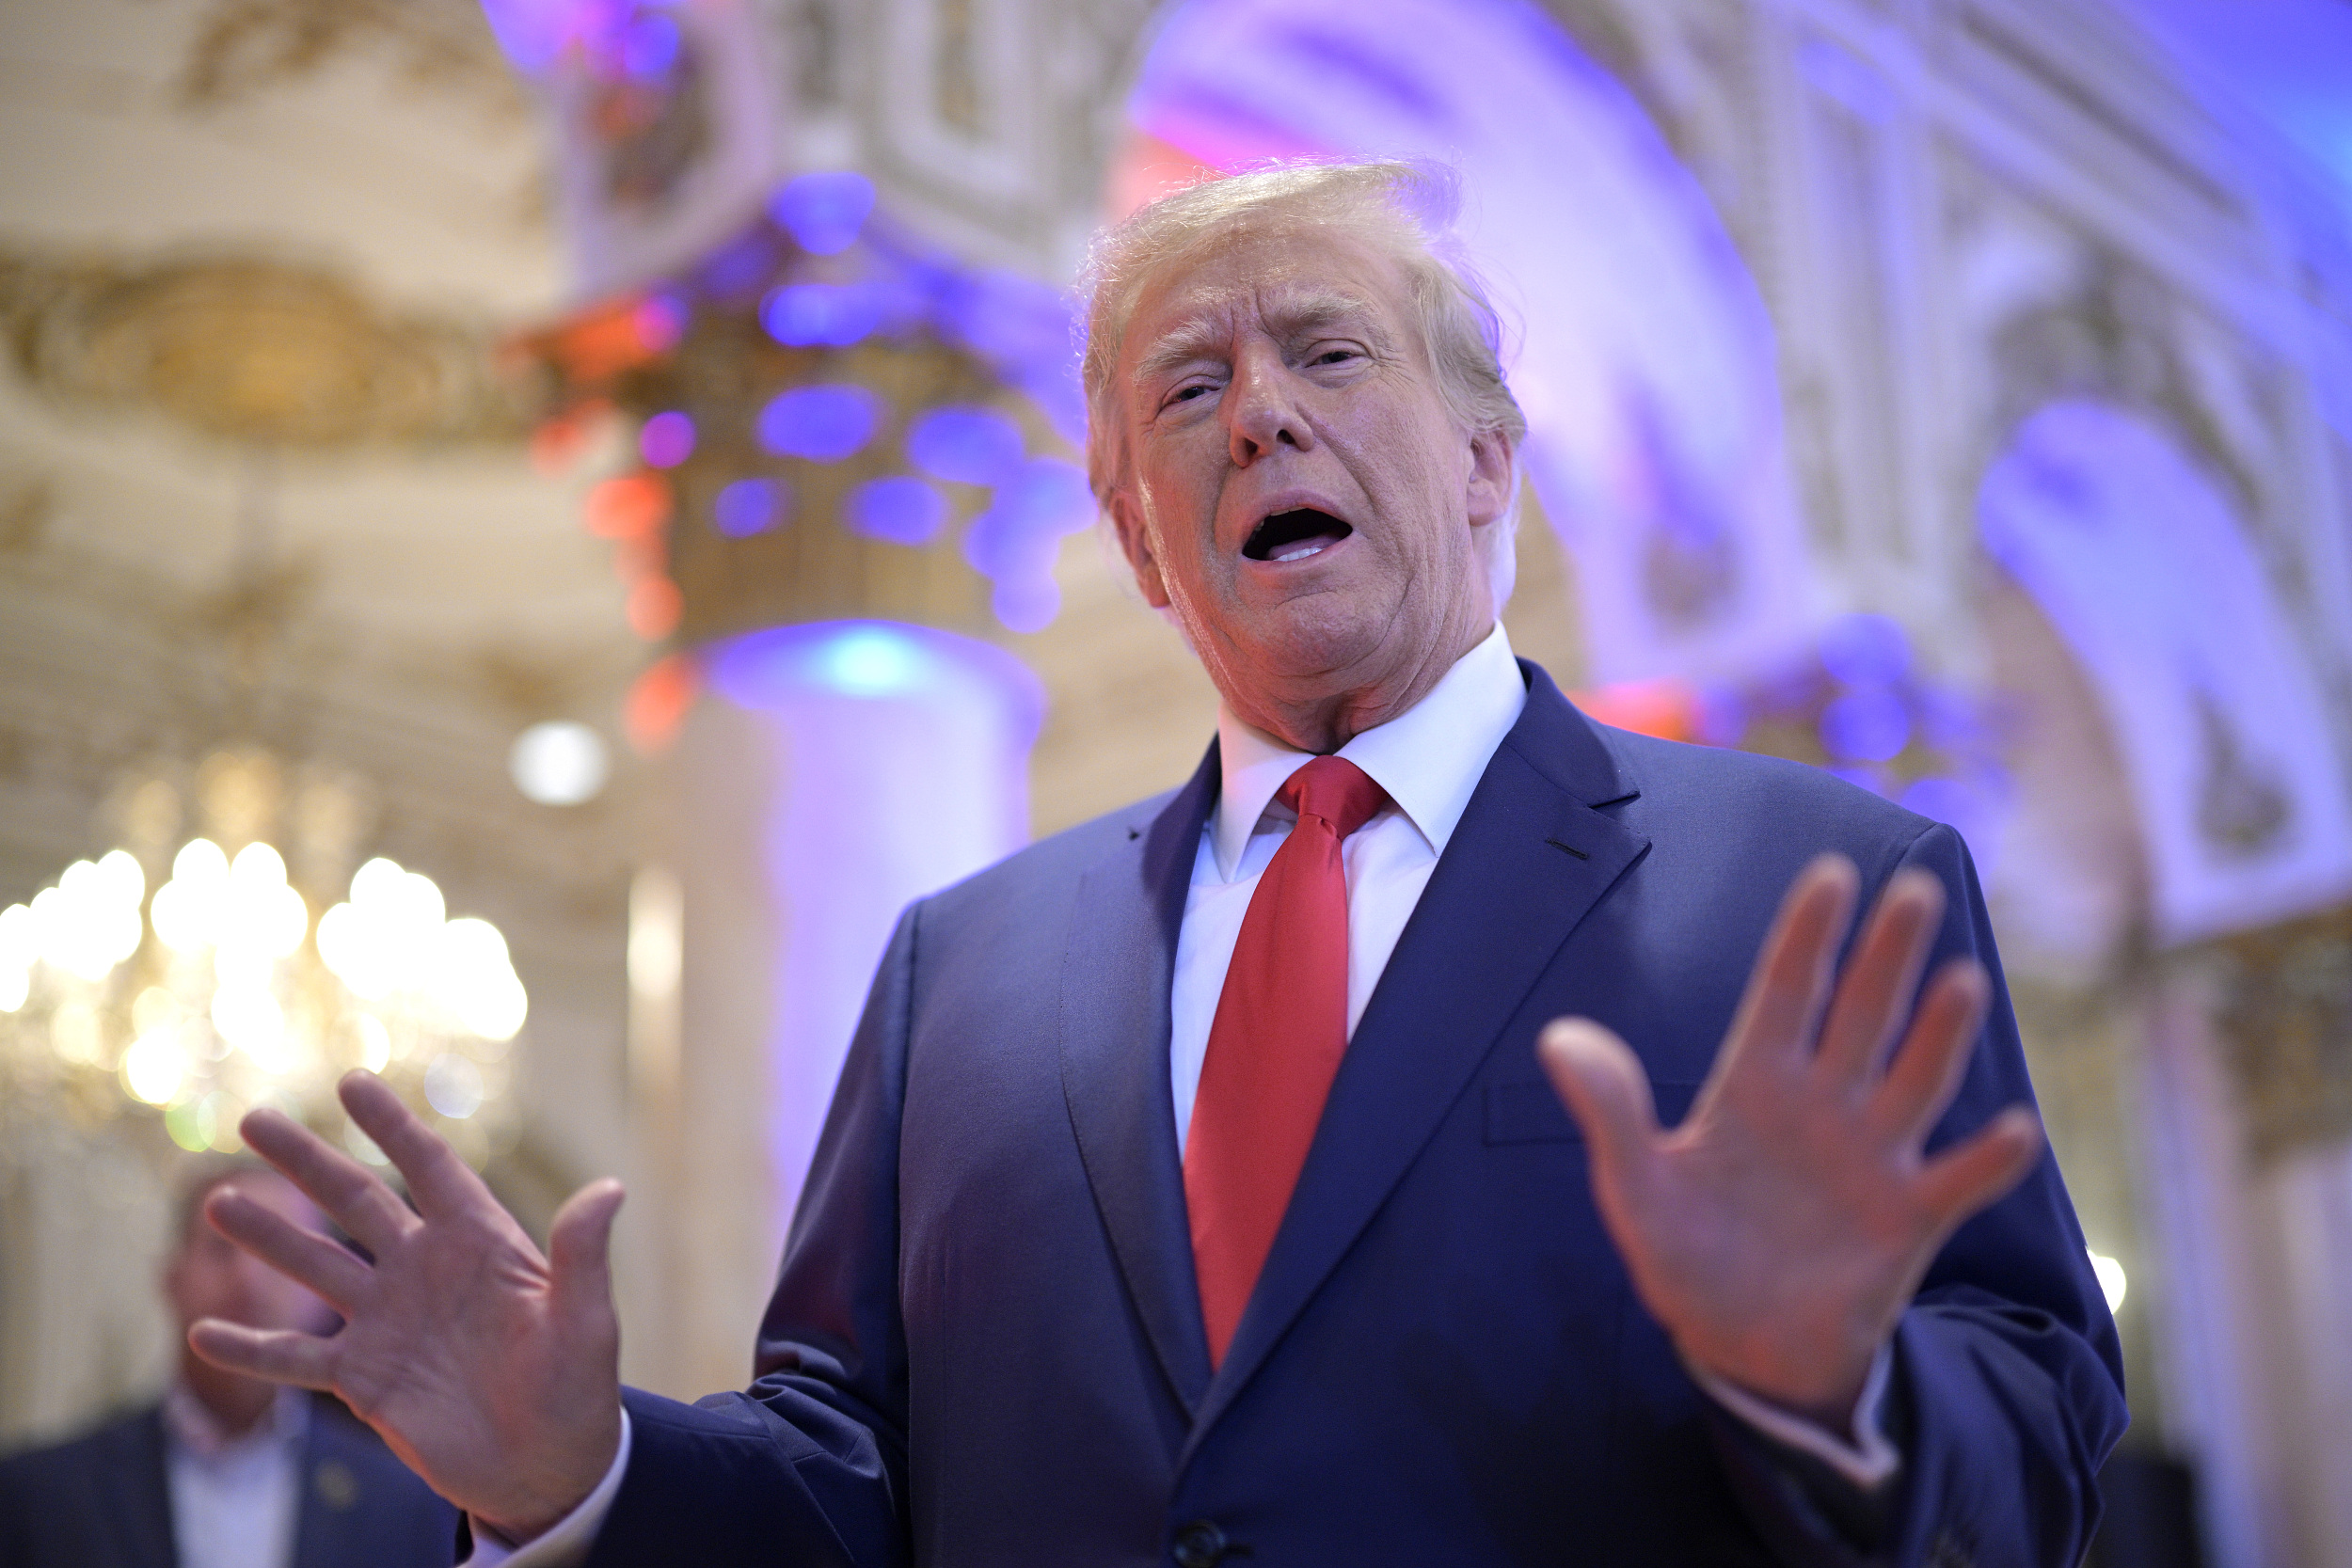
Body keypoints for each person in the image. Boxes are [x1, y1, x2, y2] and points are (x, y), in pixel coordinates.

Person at [186, 161, 2125, 1566]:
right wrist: (578, 1474)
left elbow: (2037, 1436)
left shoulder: (1811, 880)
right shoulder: (962, 968)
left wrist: (1832, 1386)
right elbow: (851, 1478)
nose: (1260, 409)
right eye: (1189, 388)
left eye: (1329, 353)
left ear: (1484, 463)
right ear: (1136, 540)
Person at [0, 1158, 458, 1568]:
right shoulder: (39, 1493)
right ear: (171, 1278)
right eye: (221, 1249)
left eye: (280, 1257)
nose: (248, 1279)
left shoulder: (404, 1504)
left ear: (323, 1297)